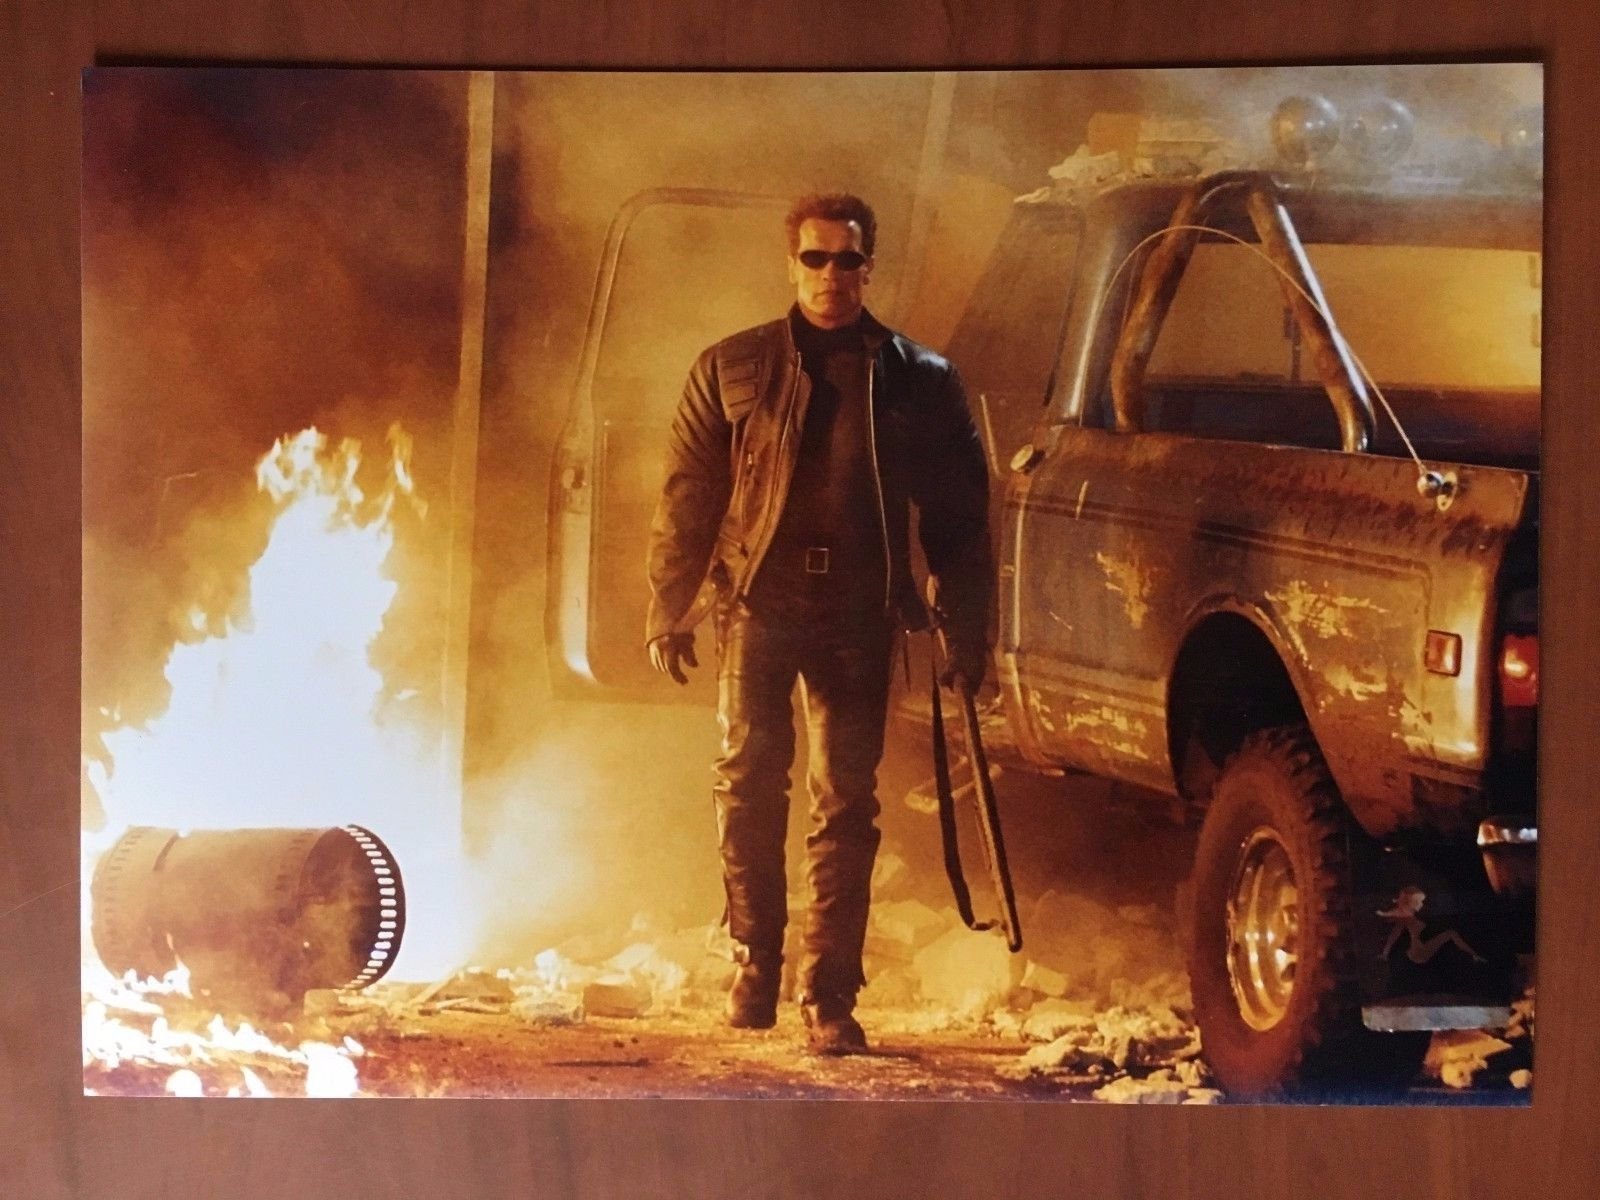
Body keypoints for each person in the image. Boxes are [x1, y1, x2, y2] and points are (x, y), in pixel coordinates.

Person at [645, 192, 991, 1054]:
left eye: (847, 258)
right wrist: (670, 605)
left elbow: (959, 517)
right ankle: (754, 966)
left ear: (870, 267)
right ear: (790, 262)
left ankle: (828, 994)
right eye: (815, 257)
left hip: (859, 612)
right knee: (746, 785)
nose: (831, 274)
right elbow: (689, 496)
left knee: (845, 802)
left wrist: (967, 630)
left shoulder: (921, 379)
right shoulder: (732, 368)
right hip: (758, 604)